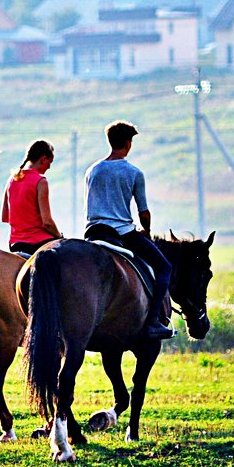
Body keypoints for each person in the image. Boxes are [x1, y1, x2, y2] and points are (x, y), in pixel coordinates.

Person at [83, 120, 175, 340]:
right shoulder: (133, 172)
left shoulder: (92, 170)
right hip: (121, 232)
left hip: (93, 232)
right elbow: (143, 212)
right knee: (164, 267)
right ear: (128, 143)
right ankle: (154, 321)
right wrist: (147, 231)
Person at [1, 139, 63, 256]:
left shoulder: (12, 180)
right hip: (39, 243)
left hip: (16, 244)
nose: (49, 167)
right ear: (43, 159)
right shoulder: (41, 181)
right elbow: (47, 223)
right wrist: (60, 237)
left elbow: (5, 217)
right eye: (50, 162)